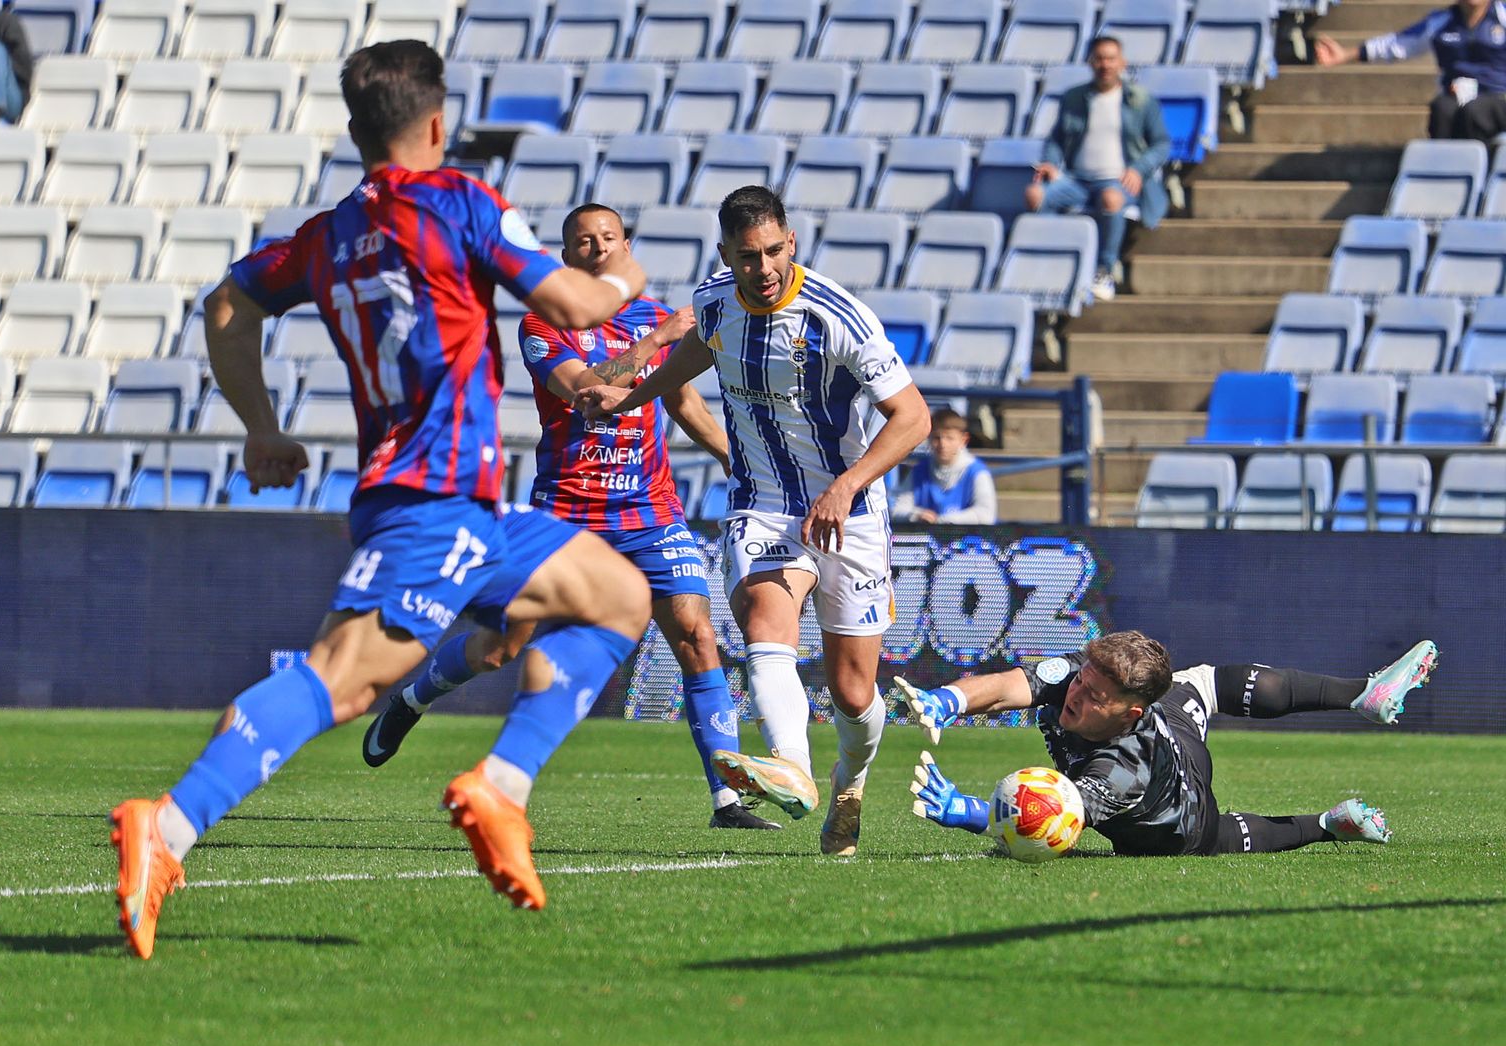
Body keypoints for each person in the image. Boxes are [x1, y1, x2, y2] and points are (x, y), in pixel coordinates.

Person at [107, 40, 657, 958]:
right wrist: (629, 281)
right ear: (436, 123)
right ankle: (165, 827)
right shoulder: (461, 205)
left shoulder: (324, 237)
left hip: (464, 505)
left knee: (615, 596)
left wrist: (261, 425)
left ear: (359, 131)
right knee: (345, 674)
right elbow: (574, 306)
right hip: (433, 499)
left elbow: (226, 306)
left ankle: (502, 789)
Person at [361, 201, 779, 831]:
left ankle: (726, 799)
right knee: (507, 646)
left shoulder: (654, 316)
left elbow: (683, 402)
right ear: (567, 257)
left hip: (650, 508)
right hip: (568, 512)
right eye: (583, 241)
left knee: (697, 636)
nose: (598, 248)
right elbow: (590, 395)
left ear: (626, 246)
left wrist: (732, 459)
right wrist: (658, 341)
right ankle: (413, 698)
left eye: (608, 237)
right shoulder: (543, 327)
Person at [579, 185, 932, 856]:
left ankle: (848, 784)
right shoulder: (715, 305)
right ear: (726, 257)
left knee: (853, 691)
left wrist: (847, 485)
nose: (764, 268)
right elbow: (691, 357)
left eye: (773, 251)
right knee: (766, 618)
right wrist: (630, 396)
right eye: (748, 257)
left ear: (790, 243)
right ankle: (792, 767)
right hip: (763, 500)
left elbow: (913, 418)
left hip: (850, 510)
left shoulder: (838, 317)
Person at [895, 633, 1439, 857]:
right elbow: (1011, 686)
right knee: (1205, 680)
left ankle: (1325, 823)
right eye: (1081, 679)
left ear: (1129, 713)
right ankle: (1362, 695)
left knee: (1222, 837)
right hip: (1173, 720)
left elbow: (1047, 818)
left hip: (1183, 816)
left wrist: (967, 811)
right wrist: (949, 700)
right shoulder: (1082, 679)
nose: (1075, 694)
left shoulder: (1120, 773)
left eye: (1092, 694)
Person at [1025, 35, 1171, 303]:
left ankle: (1104, 269)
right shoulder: (1074, 98)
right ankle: (1051, 261)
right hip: (1077, 180)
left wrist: (1139, 169)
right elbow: (1056, 139)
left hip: (1117, 182)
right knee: (1035, 195)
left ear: (1122, 62)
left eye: (1111, 59)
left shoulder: (1140, 100)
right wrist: (1050, 162)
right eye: (1100, 58)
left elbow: (1161, 144)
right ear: (1091, 62)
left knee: (1111, 198)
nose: (1105, 65)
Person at [1316, 1, 1506, 141]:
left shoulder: (1502, 15)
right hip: (1456, 97)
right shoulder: (1440, 21)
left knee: (1475, 112)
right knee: (1442, 109)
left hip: (1498, 99)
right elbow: (1397, 44)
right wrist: (1346, 54)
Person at [892, 407, 997, 525]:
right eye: (937, 437)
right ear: (929, 438)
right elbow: (897, 510)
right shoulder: (918, 471)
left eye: (949, 438)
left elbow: (986, 515)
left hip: (968, 541)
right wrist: (917, 515)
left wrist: (943, 521)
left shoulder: (977, 473)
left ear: (964, 440)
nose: (943, 444)